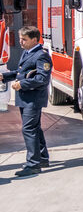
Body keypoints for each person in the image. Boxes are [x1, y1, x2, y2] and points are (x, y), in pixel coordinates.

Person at [4, 26, 53, 177]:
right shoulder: (27, 52)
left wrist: (22, 84)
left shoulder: (41, 55)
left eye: (24, 39)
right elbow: (21, 73)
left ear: (34, 39)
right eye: (20, 38)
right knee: (35, 128)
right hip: (25, 98)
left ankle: (33, 164)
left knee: (28, 129)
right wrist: (5, 76)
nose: (20, 42)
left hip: (33, 98)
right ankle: (43, 158)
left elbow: (41, 79)